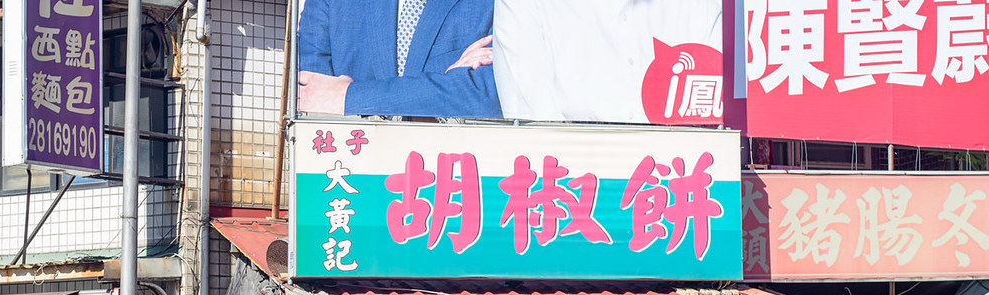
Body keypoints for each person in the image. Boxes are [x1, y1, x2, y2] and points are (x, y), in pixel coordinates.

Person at [492, 0, 722, 122]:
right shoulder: (525, 4)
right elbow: (535, 126)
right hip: (574, 196)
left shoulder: (699, 6)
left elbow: (712, 123)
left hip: (678, 191)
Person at [296, 0, 502, 118]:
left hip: (449, 179)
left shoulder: (497, 4)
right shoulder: (331, 4)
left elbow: (488, 94)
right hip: (357, 174)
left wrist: (349, 97)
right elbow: (311, 99)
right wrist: (445, 83)